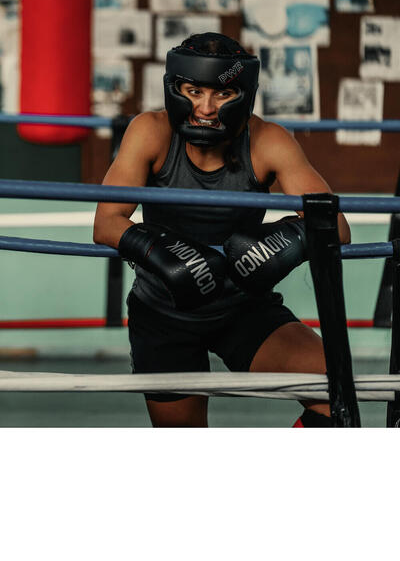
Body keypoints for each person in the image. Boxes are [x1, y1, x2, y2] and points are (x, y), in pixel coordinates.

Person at [93, 32, 350, 428]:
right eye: (193, 91)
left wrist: (282, 242)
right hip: (163, 314)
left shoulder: (268, 140)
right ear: (174, 88)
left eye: (222, 94)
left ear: (244, 95)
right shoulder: (150, 132)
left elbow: (336, 226)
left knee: (336, 394)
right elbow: (106, 222)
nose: (206, 109)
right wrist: (161, 253)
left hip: (243, 308)